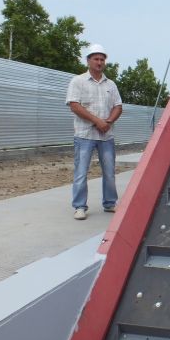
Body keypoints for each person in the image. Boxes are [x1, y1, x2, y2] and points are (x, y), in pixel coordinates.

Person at [65, 44, 123, 220]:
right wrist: (97, 121)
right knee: (81, 172)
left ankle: (110, 203)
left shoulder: (110, 84)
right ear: (88, 60)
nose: (99, 62)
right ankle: (79, 206)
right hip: (84, 135)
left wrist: (108, 122)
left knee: (109, 172)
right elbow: (74, 105)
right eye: (96, 59)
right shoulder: (78, 81)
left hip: (106, 136)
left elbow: (118, 106)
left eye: (102, 59)